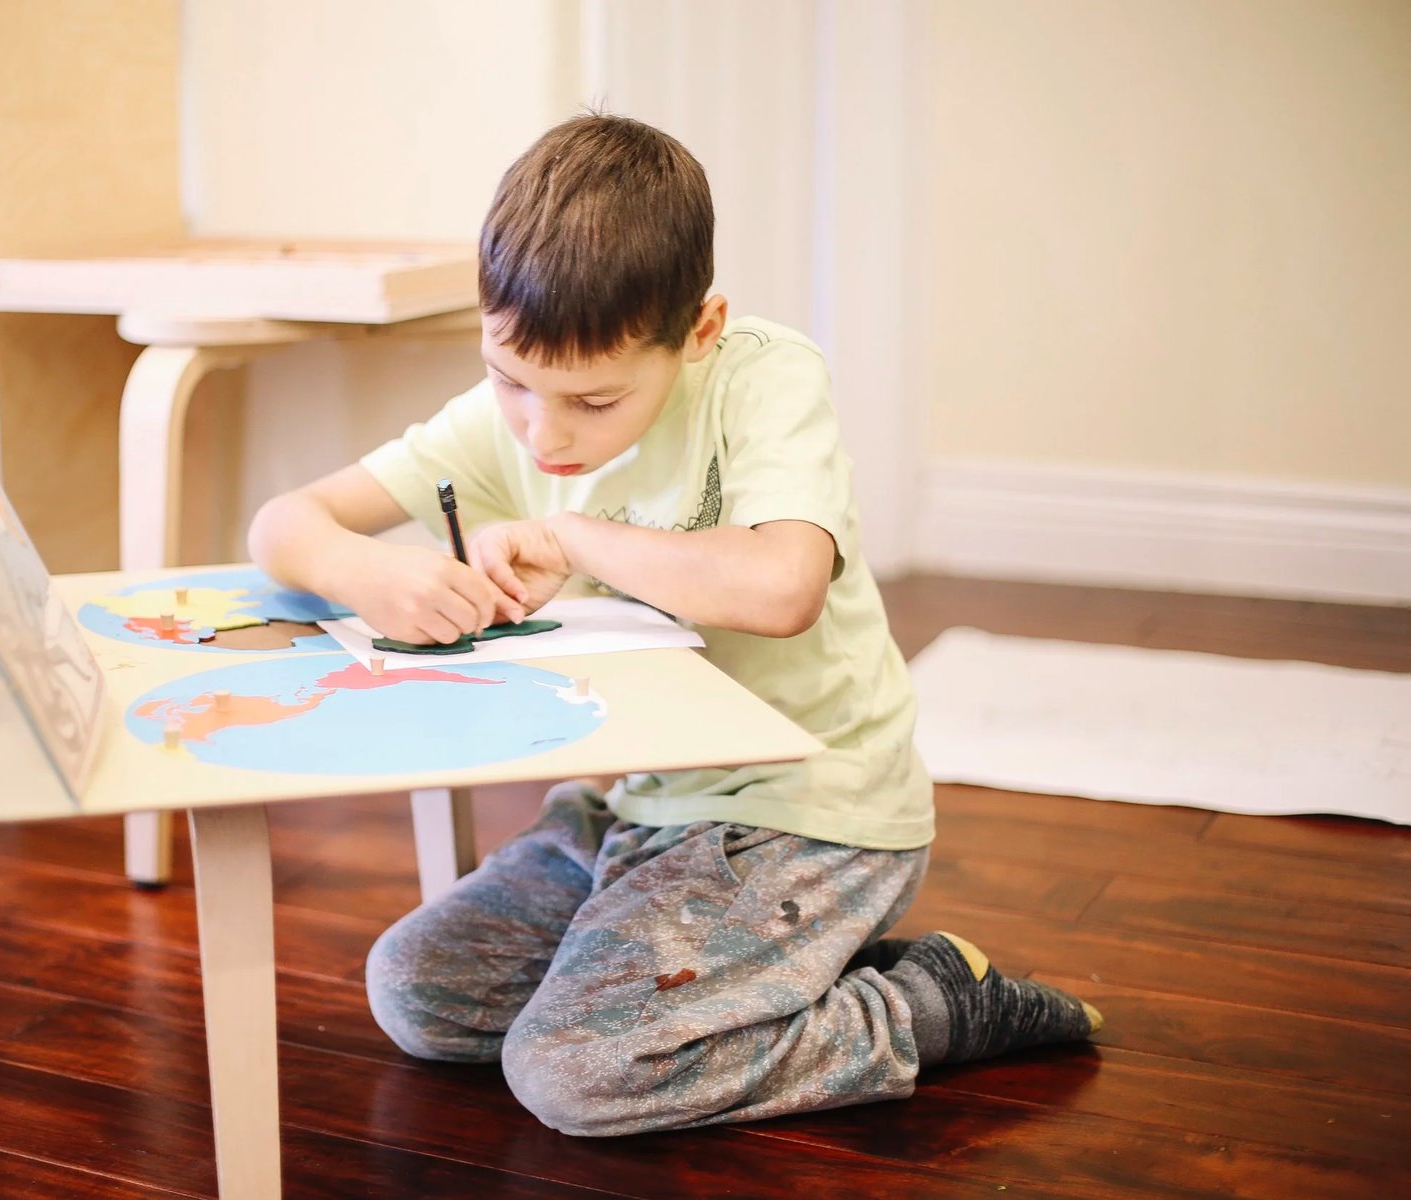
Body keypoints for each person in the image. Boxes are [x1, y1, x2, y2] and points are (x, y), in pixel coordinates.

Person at [248, 113, 1099, 1137]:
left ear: (697, 330)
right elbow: (284, 523)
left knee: (573, 1074)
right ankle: (732, 956)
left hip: (810, 814)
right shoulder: (508, 415)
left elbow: (785, 587)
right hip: (641, 810)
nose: (543, 432)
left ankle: (922, 1003)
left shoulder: (761, 376)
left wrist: (575, 534)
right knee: (418, 992)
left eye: (594, 401)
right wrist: (366, 569)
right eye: (508, 379)